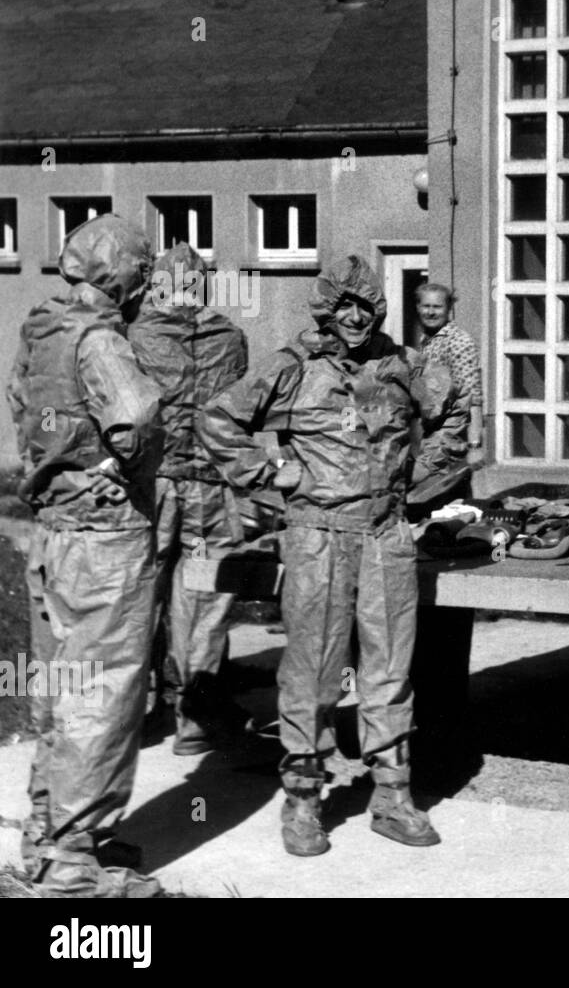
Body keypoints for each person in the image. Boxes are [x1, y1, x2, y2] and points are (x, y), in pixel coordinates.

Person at [199, 255, 449, 857]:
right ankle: (304, 799)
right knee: (312, 669)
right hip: (317, 537)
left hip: (386, 535)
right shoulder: (291, 367)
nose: (356, 319)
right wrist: (271, 473)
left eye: (366, 307)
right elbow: (217, 419)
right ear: (326, 310)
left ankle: (392, 796)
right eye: (344, 308)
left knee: (389, 670)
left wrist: (421, 483)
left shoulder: (405, 364)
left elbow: (454, 416)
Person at [8, 214, 164, 897]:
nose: (146, 286)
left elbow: (25, 411)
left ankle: (49, 842)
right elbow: (137, 418)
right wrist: (126, 465)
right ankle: (73, 867)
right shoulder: (101, 340)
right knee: (102, 694)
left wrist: (63, 465)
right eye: (142, 274)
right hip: (105, 541)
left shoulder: (41, 329)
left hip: (52, 533)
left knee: (61, 690)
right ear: (123, 277)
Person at [129, 242, 250, 755]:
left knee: (139, 595)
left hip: (151, 484)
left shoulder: (135, 335)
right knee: (203, 599)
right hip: (210, 482)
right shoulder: (230, 336)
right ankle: (195, 715)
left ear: (158, 283)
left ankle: (136, 714)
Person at [414, 282, 484, 497]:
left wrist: (475, 445)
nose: (431, 312)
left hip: (450, 436)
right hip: (429, 434)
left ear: (448, 309)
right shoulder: (426, 340)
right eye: (426, 306)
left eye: (437, 307)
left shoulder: (458, 342)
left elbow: (473, 396)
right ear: (417, 307)